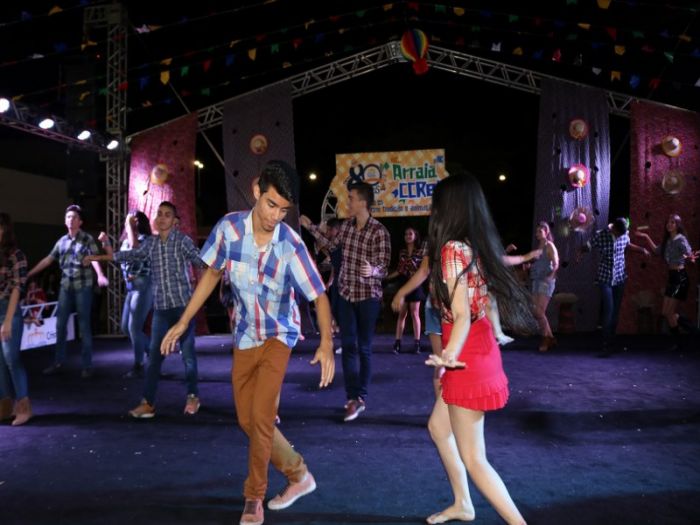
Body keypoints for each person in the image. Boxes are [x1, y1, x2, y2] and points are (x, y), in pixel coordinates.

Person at [159, 160, 335, 525]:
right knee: (247, 420)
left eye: (283, 209)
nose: (275, 216)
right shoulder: (229, 229)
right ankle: (300, 474)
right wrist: (184, 320)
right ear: (257, 191)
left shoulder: (290, 243)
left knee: (261, 417)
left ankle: (254, 497)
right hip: (244, 334)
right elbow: (212, 273)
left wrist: (327, 344)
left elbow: (319, 295)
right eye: (271, 204)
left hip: (278, 335)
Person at [421, 171, 534, 525]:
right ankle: (463, 504)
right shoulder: (474, 244)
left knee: (475, 459)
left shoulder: (452, 250)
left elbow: (461, 316)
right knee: (439, 428)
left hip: (467, 357)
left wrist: (449, 355)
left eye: (436, 204)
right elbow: (479, 306)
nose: (432, 211)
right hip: (477, 350)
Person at [84, 201, 205, 417]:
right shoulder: (151, 244)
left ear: (174, 222)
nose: (162, 218)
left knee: (187, 354)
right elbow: (128, 255)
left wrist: (201, 293)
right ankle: (148, 403)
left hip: (183, 309)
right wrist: (99, 257)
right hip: (161, 310)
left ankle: (193, 396)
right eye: (159, 214)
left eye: (167, 215)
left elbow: (201, 263)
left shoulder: (182, 241)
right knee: (154, 358)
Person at [300, 181, 391, 422]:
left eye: (351, 198)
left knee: (364, 347)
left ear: (362, 202)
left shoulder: (379, 231)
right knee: (348, 346)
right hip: (346, 294)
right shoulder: (347, 227)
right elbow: (331, 246)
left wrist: (373, 270)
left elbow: (383, 268)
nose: (347, 202)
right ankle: (353, 398)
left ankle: (361, 395)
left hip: (368, 297)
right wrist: (310, 227)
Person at [27, 204, 109, 378]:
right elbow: (48, 260)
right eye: (68, 217)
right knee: (60, 324)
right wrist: (29, 274)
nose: (71, 220)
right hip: (66, 287)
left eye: (74, 217)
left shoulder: (86, 238)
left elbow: (94, 258)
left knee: (84, 325)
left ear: (80, 222)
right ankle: (58, 362)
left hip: (83, 287)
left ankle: (87, 365)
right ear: (65, 221)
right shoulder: (61, 241)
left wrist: (100, 275)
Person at [579, 218, 649, 356]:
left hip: (619, 278)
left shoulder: (624, 234)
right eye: (618, 233)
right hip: (605, 278)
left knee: (615, 313)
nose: (619, 236)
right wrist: (580, 251)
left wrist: (642, 250)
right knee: (609, 310)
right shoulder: (602, 235)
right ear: (614, 229)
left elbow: (628, 245)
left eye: (622, 234)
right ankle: (605, 344)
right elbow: (588, 245)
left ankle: (611, 341)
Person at [634, 214, 695, 344]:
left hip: (680, 277)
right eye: (668, 222)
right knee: (666, 312)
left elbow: (689, 253)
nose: (669, 224)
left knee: (669, 312)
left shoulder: (680, 239)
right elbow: (656, 251)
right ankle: (687, 334)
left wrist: (690, 256)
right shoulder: (668, 241)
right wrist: (645, 236)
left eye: (672, 222)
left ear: (677, 225)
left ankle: (690, 332)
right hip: (673, 277)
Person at [0, 212, 32, 426]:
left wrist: (8, 320)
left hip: (8, 311)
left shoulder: (16, 255)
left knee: (12, 359)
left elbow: (16, 289)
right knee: (0, 363)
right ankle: (4, 406)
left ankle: (23, 406)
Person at [118, 211, 154, 378]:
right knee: (125, 327)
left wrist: (129, 225)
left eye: (136, 219)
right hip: (131, 288)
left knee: (134, 328)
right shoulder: (126, 240)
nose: (133, 220)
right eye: (131, 218)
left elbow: (135, 249)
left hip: (143, 286)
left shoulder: (147, 240)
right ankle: (155, 353)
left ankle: (138, 365)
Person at [386, 227, 426, 354]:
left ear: (415, 236)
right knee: (402, 314)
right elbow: (400, 270)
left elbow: (422, 270)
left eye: (410, 234)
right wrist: (387, 277)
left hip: (415, 284)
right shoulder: (402, 252)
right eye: (406, 234)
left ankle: (417, 343)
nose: (407, 236)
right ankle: (397, 343)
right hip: (403, 283)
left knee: (415, 314)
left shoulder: (420, 251)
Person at [529, 222, 559, 352]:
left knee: (539, 312)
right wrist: (530, 266)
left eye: (540, 231)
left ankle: (546, 339)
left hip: (545, 281)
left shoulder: (549, 245)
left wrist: (550, 277)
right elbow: (539, 263)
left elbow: (556, 263)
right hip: (536, 281)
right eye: (536, 232)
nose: (537, 234)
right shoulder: (539, 247)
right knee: (536, 311)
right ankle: (550, 337)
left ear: (546, 232)